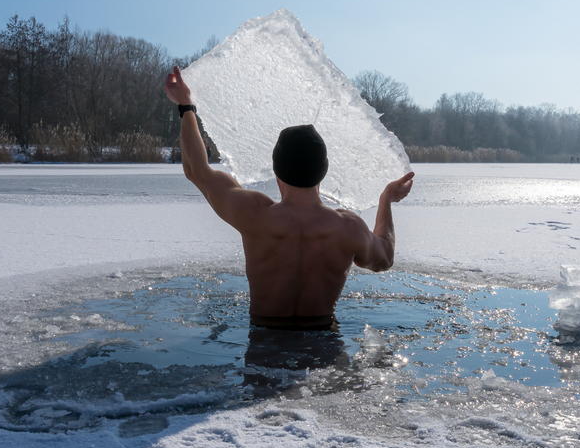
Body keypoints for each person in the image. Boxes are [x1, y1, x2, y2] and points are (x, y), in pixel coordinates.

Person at [164, 65, 414, 330]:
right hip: (323, 344)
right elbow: (384, 258)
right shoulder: (348, 227)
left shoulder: (254, 215)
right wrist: (386, 199)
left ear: (276, 170)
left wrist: (185, 106)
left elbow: (196, 170)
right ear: (323, 171)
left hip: (264, 343)